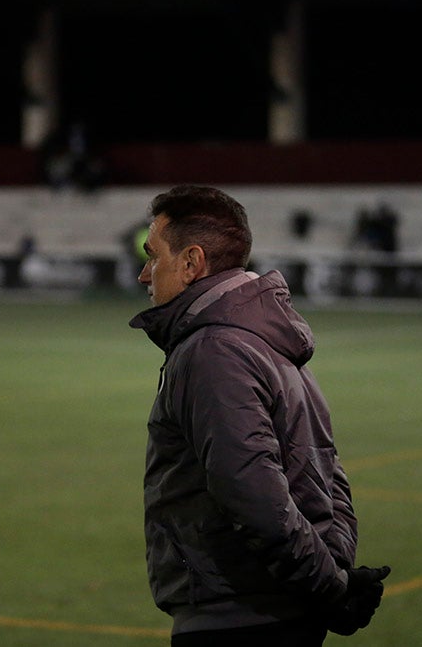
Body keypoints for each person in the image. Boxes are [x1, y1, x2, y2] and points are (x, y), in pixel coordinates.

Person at [129, 185, 390, 646]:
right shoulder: (265, 339)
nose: (144, 274)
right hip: (281, 607)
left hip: (240, 615)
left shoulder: (213, 349)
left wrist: (332, 589)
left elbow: (252, 496)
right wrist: (336, 576)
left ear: (191, 263)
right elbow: (327, 472)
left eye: (153, 256)